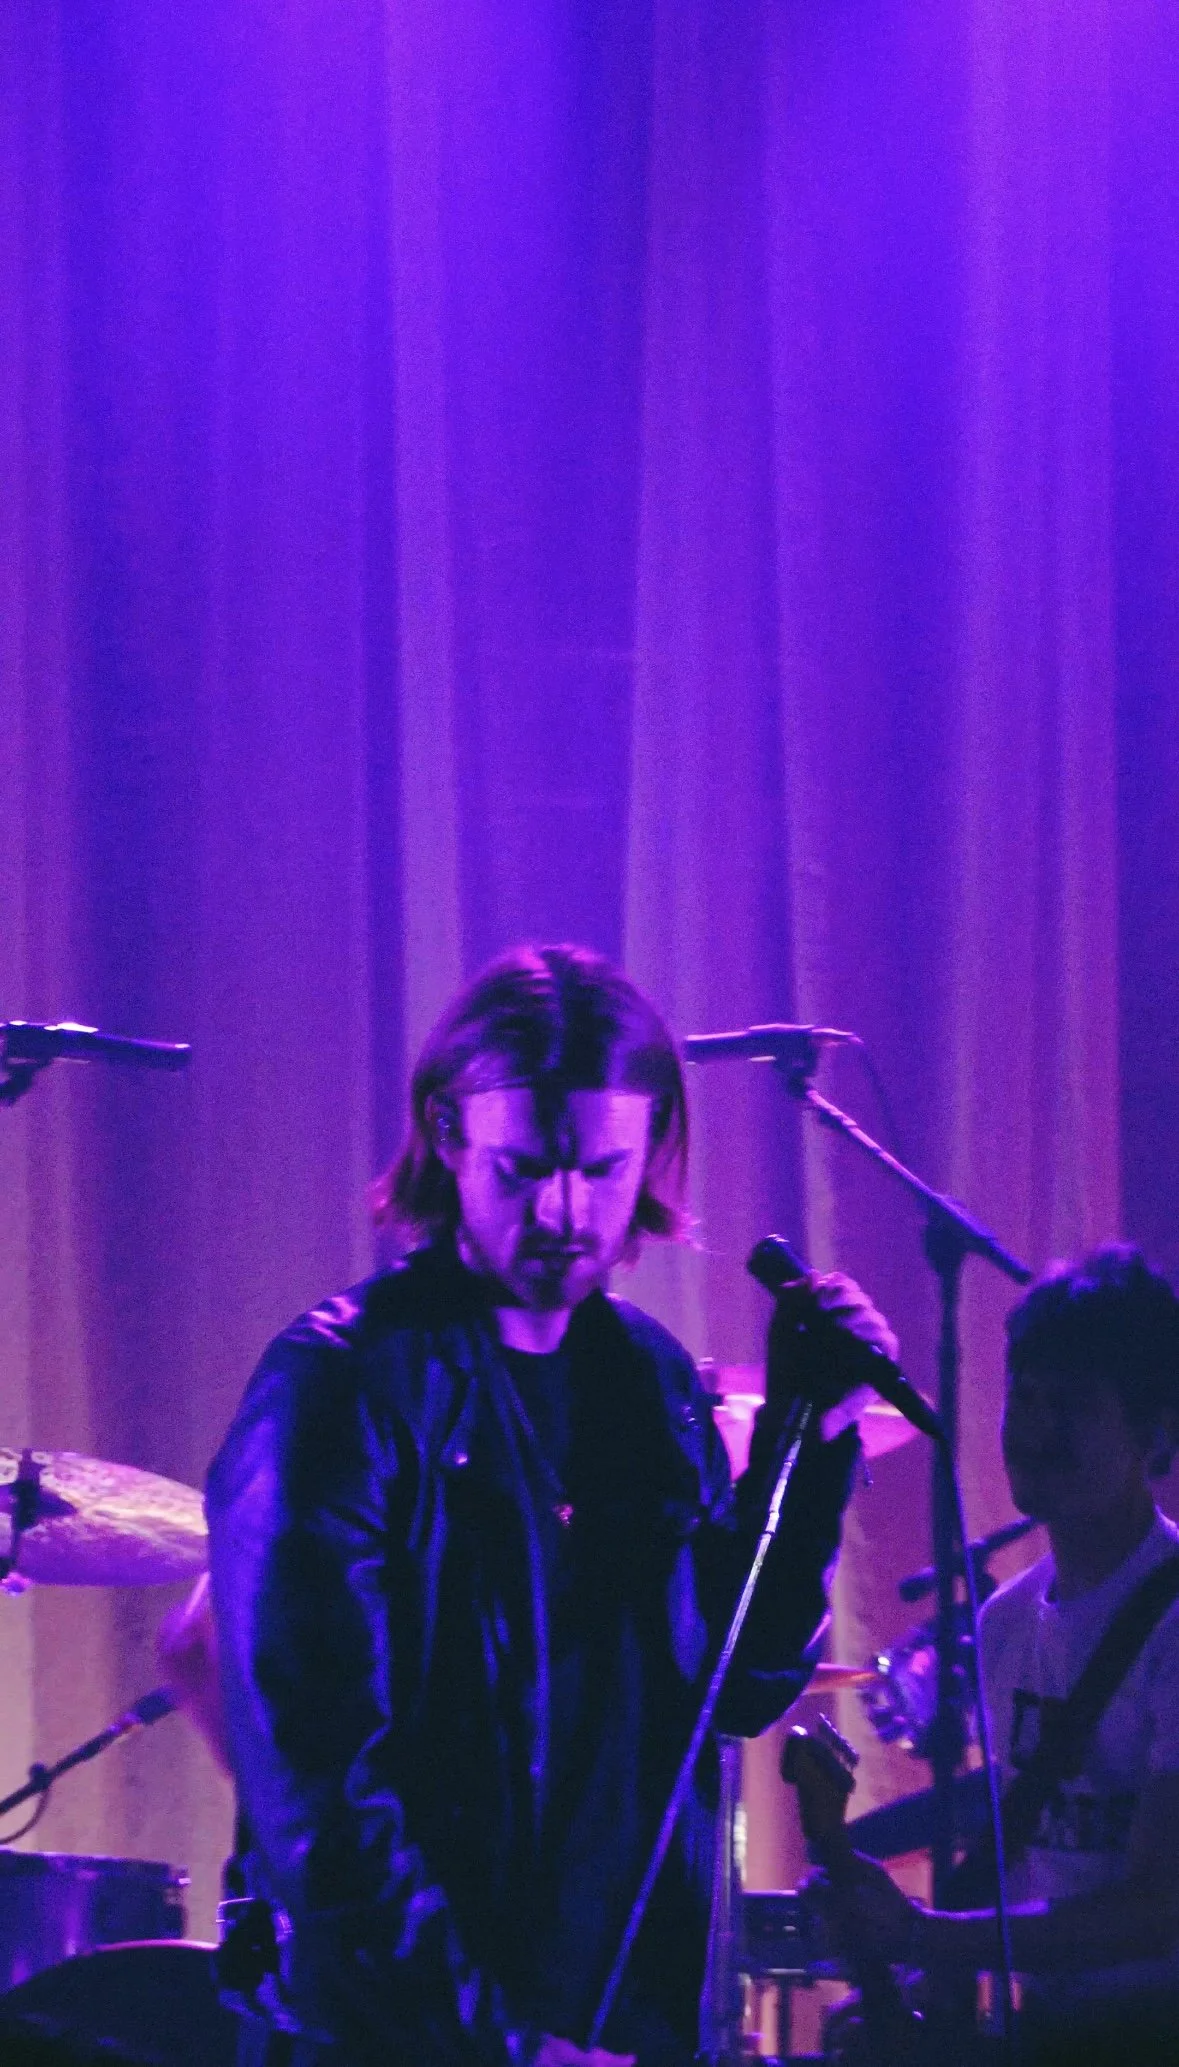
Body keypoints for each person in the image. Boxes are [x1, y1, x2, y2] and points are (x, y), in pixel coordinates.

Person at [204, 943, 898, 2067]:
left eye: (604, 1170)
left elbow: (743, 1683)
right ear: (447, 1134)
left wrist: (806, 1451)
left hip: (632, 2016)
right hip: (415, 2037)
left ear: (652, 1150)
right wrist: (497, 2048)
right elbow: (325, 1801)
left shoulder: (655, 1383)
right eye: (526, 1170)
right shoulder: (343, 1387)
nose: (568, 1212)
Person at [824, 1244, 1179, 2063]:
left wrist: (931, 1937)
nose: (1033, 1429)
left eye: (1073, 1405)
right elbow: (1019, 1844)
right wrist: (913, 1998)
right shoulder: (1008, 1621)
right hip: (1054, 2031)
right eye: (1024, 1396)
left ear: (1153, 1440)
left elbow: (1159, 1906)